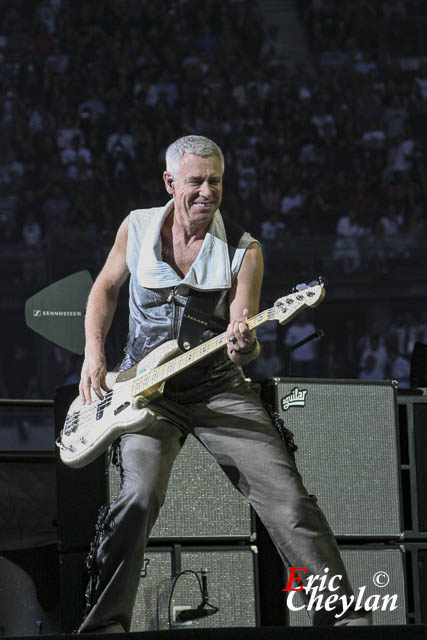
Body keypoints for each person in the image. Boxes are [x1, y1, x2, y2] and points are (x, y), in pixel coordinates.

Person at [77, 135, 370, 633]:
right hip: (144, 394)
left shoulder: (243, 248)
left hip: (218, 388)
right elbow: (104, 286)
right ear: (170, 183)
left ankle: (340, 615)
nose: (207, 191)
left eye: (215, 181)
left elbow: (244, 333)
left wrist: (243, 346)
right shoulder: (138, 225)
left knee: (288, 500)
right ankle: (106, 624)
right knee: (137, 498)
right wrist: (94, 351)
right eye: (196, 181)